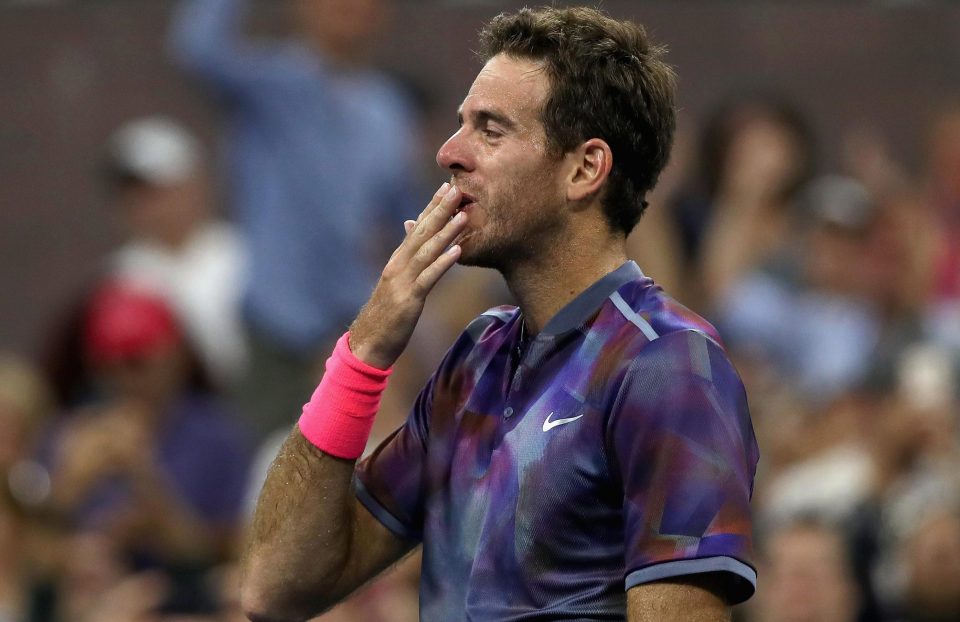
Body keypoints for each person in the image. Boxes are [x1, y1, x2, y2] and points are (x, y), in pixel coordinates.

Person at [242, 7, 759, 621]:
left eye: (489, 129)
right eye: (462, 124)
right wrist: (364, 352)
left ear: (584, 169)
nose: (448, 153)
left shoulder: (668, 364)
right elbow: (276, 589)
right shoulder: (475, 361)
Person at [169, 0, 424, 441]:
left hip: (354, 328)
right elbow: (196, 49)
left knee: (361, 473)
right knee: (263, 477)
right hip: (274, 330)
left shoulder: (387, 110)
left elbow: (410, 223)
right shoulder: (273, 82)